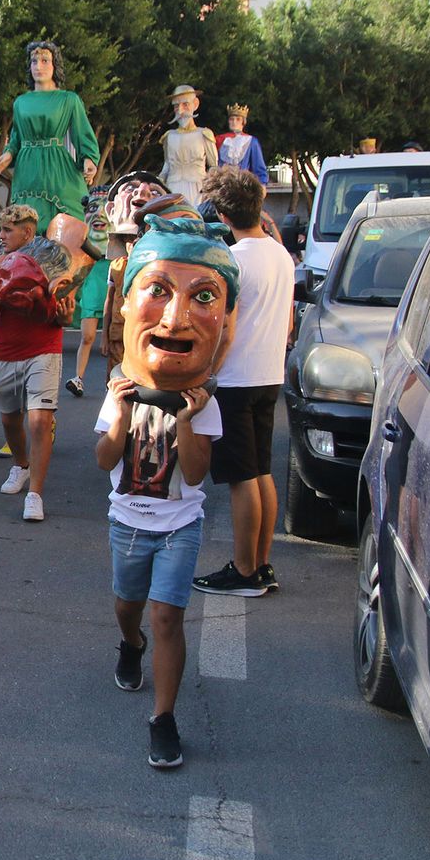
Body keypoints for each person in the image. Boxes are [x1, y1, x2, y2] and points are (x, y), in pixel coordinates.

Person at [94, 203, 237, 769]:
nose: (176, 320)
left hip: (179, 525)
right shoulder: (120, 391)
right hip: (128, 522)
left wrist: (187, 418)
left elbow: (196, 474)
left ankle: (164, 718)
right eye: (157, 291)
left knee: (167, 617)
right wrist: (123, 413)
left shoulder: (205, 405)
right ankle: (129, 645)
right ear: (126, 304)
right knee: (128, 607)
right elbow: (104, 459)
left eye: (203, 297)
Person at [191, 171, 295, 598]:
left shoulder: (231, 261)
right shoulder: (281, 255)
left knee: (242, 478)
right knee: (261, 471)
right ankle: (261, 564)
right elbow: (289, 323)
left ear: (221, 214)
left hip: (236, 378)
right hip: (269, 374)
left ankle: (245, 570)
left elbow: (227, 330)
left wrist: (205, 375)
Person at [0, 204, 63, 522]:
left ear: (27, 232)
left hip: (44, 349)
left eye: (7, 230)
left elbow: (63, 311)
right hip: (6, 353)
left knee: (39, 422)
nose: (1, 236)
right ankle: (21, 466)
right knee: (10, 421)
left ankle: (35, 495)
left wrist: (64, 308)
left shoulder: (52, 258)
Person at [0, 40, 100, 229]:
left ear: (55, 65)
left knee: (67, 222)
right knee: (26, 221)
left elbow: (82, 132)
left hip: (56, 166)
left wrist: (89, 159)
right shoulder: (20, 102)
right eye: (34, 61)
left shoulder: (69, 100)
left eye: (45, 61)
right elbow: (17, 136)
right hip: (27, 169)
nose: (38, 66)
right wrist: (8, 154)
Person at [102, 172, 169, 382]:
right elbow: (109, 301)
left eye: (155, 192)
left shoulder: (162, 265)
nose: (142, 192)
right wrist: (104, 335)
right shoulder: (117, 265)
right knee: (116, 382)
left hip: (150, 337)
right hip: (118, 333)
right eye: (131, 188)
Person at [67, 172, 113, 398]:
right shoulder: (82, 241)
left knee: (115, 341)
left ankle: (112, 382)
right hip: (93, 285)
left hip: (114, 282)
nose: (99, 214)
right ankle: (78, 378)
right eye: (93, 208)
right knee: (87, 336)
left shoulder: (120, 240)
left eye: (105, 208)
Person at [160, 85, 217, 207]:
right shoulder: (169, 136)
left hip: (198, 189)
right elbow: (167, 164)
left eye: (185, 104)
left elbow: (213, 166)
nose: (180, 111)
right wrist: (159, 181)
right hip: (172, 187)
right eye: (176, 106)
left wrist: (209, 189)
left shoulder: (204, 134)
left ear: (195, 104)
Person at [215, 103, 268, 184]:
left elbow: (259, 168)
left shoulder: (252, 141)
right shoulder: (220, 140)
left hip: (243, 185)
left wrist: (262, 185)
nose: (234, 122)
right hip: (222, 185)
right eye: (231, 119)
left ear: (243, 122)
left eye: (238, 119)